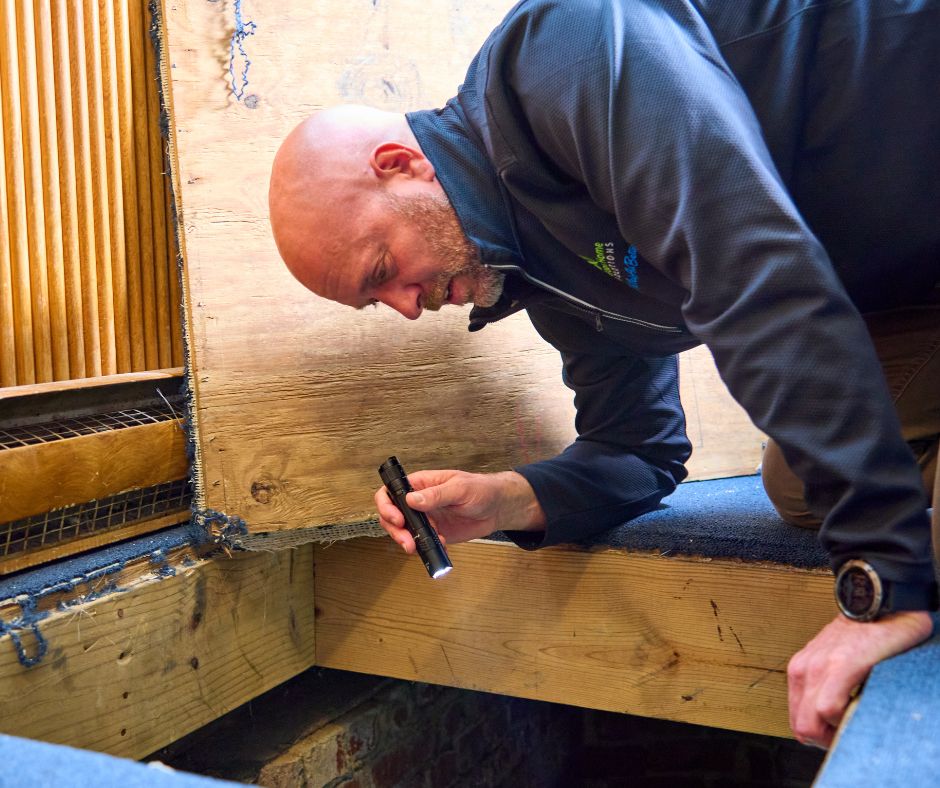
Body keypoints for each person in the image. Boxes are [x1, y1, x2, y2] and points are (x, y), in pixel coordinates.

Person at [268, 0, 940, 749]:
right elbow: (640, 449)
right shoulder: (537, 272)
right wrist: (506, 502)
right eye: (376, 302)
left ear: (400, 166)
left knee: (864, 501)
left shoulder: (565, 52)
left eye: (385, 270)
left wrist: (881, 584)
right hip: (915, 287)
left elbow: (749, 269)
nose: (407, 308)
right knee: (794, 481)